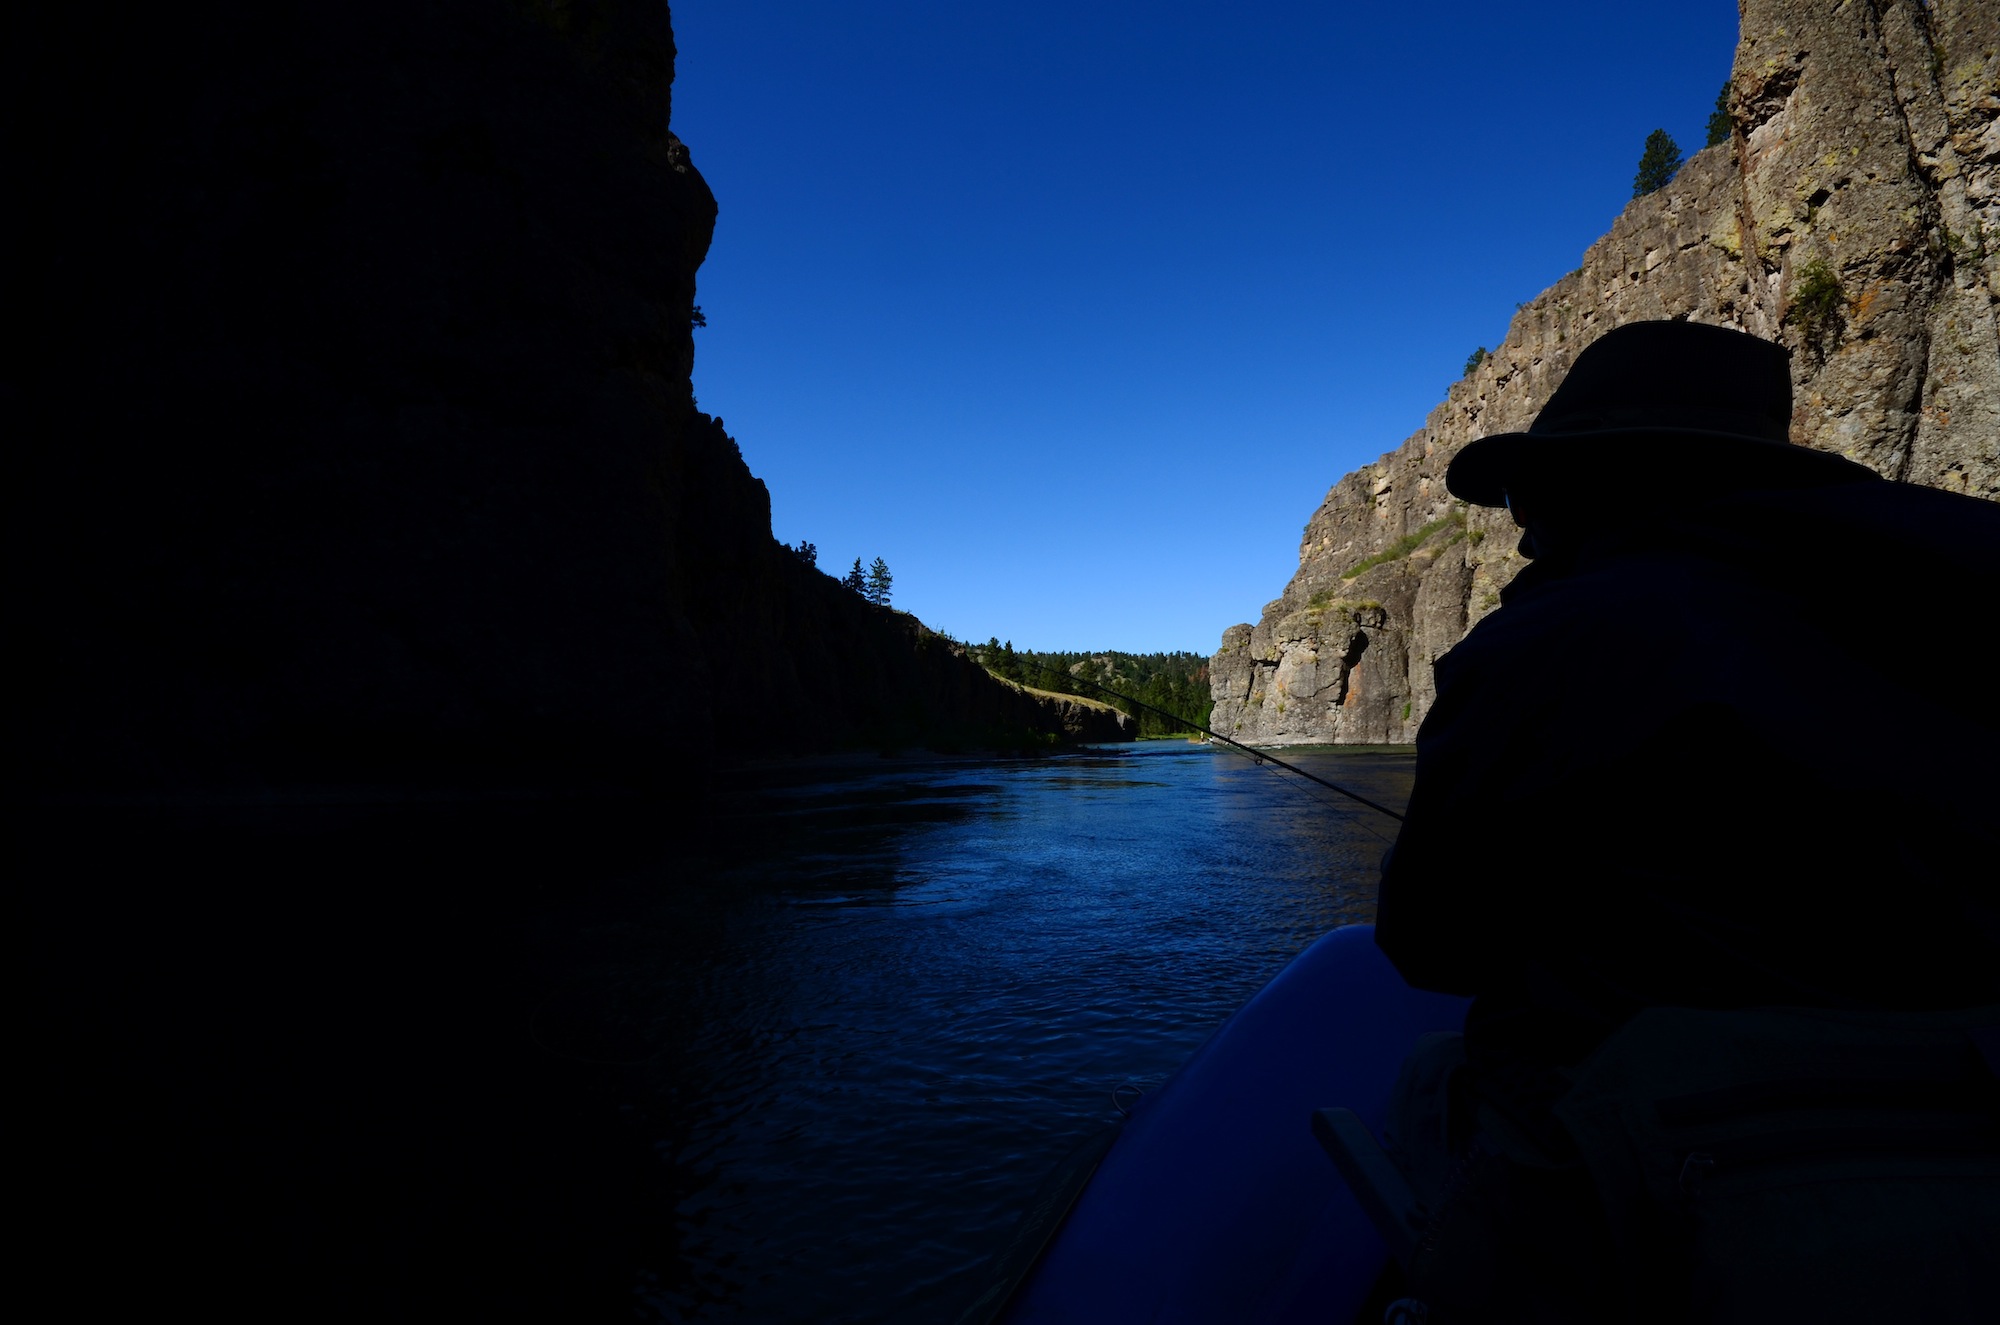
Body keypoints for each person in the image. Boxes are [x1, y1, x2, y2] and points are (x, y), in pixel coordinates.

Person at [1369, 320, 2000, 1323]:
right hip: (1970, 1094)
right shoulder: (1956, 598)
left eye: (1528, 489)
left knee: (1420, 1082)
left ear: (1600, 479)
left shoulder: (1555, 637)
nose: (1518, 524)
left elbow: (1431, 941)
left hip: (1668, 1152)